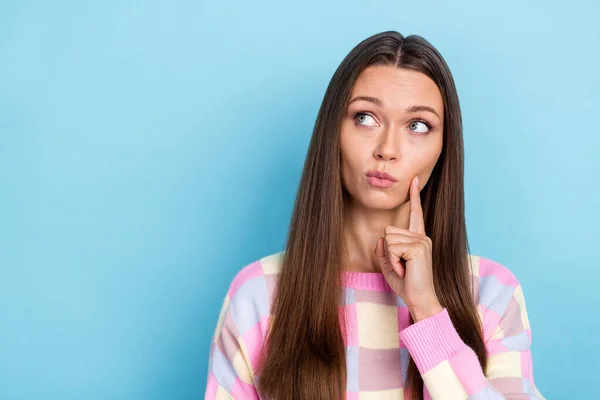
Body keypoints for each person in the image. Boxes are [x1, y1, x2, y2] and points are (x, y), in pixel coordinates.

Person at [203, 30, 546, 400]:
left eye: (417, 126)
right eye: (365, 117)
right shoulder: (260, 294)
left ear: (444, 149)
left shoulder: (491, 294)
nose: (387, 149)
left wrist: (427, 310)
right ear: (333, 130)